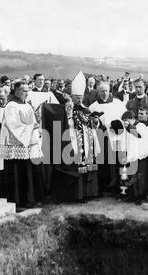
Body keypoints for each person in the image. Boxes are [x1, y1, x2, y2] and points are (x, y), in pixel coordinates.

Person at [50, 71, 100, 203]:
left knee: (86, 166)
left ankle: (87, 194)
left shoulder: (85, 109)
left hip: (87, 142)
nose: (79, 99)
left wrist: (95, 121)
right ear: (72, 96)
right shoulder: (67, 108)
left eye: (80, 97)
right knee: (73, 167)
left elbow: (93, 126)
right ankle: (75, 195)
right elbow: (65, 123)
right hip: (72, 141)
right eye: (76, 97)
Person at [0, 81, 44, 209]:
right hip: (15, 144)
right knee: (18, 173)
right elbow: (13, 125)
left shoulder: (27, 105)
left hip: (28, 142)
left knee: (29, 172)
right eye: (24, 90)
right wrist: (30, 127)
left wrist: (35, 129)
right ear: (16, 91)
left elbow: (32, 121)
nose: (26, 93)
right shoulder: (11, 106)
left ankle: (31, 198)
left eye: (27, 90)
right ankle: (19, 200)